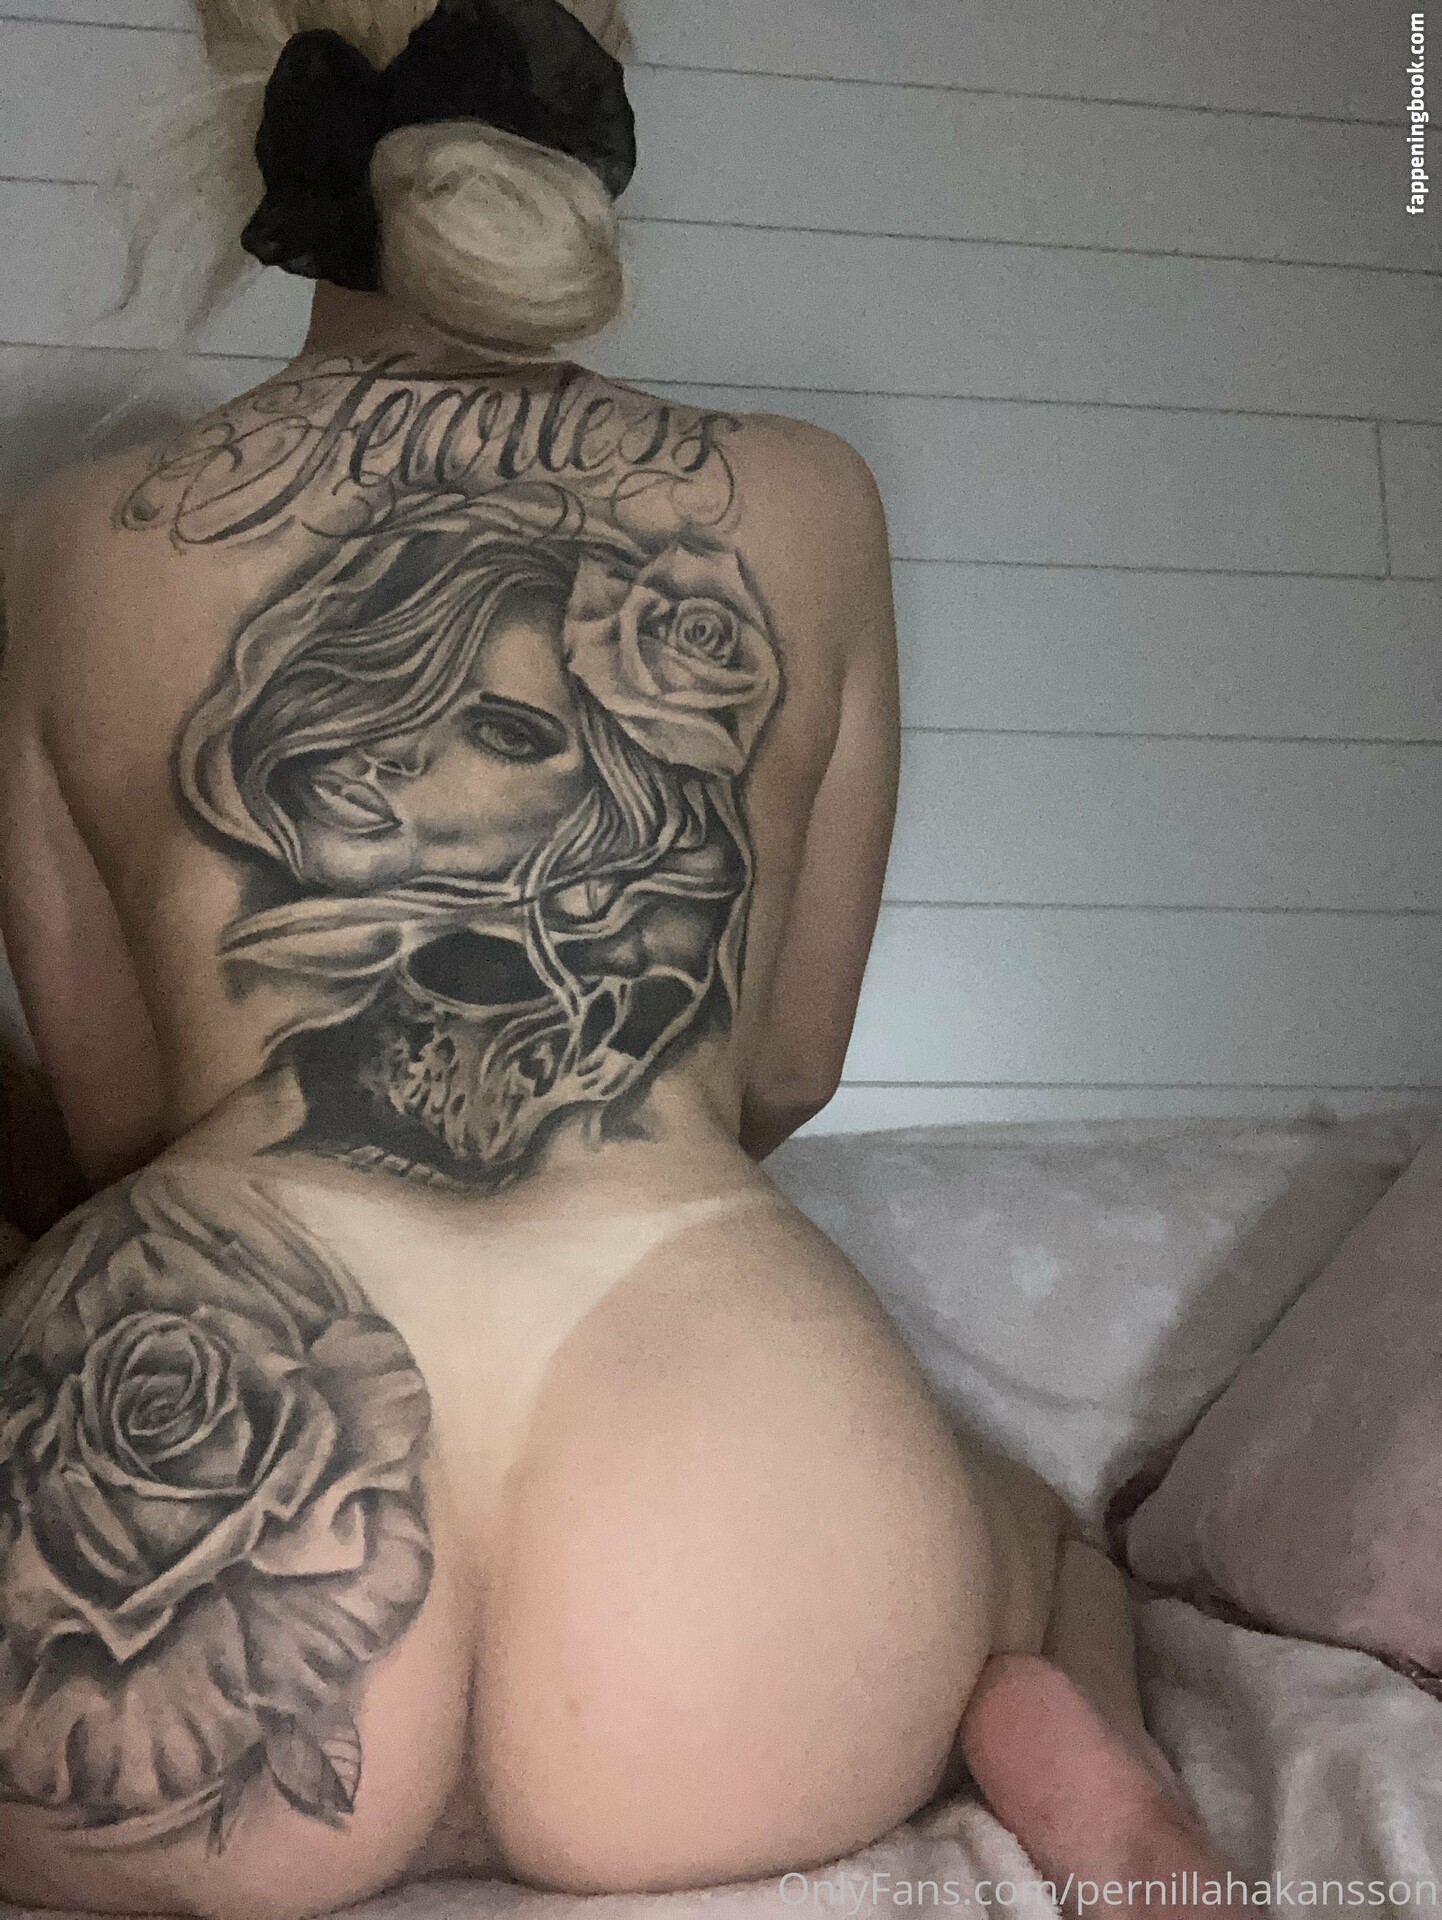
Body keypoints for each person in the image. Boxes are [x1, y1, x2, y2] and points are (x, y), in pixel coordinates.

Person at [0, 2, 1238, 1913]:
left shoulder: (70, 535)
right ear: (583, 112)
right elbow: (787, 1069)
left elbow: (115, 1126)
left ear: (260, 115)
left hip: (190, 1522)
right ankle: (1112, 1789)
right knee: (1022, 1523)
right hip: (738, 1556)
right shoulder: (805, 496)